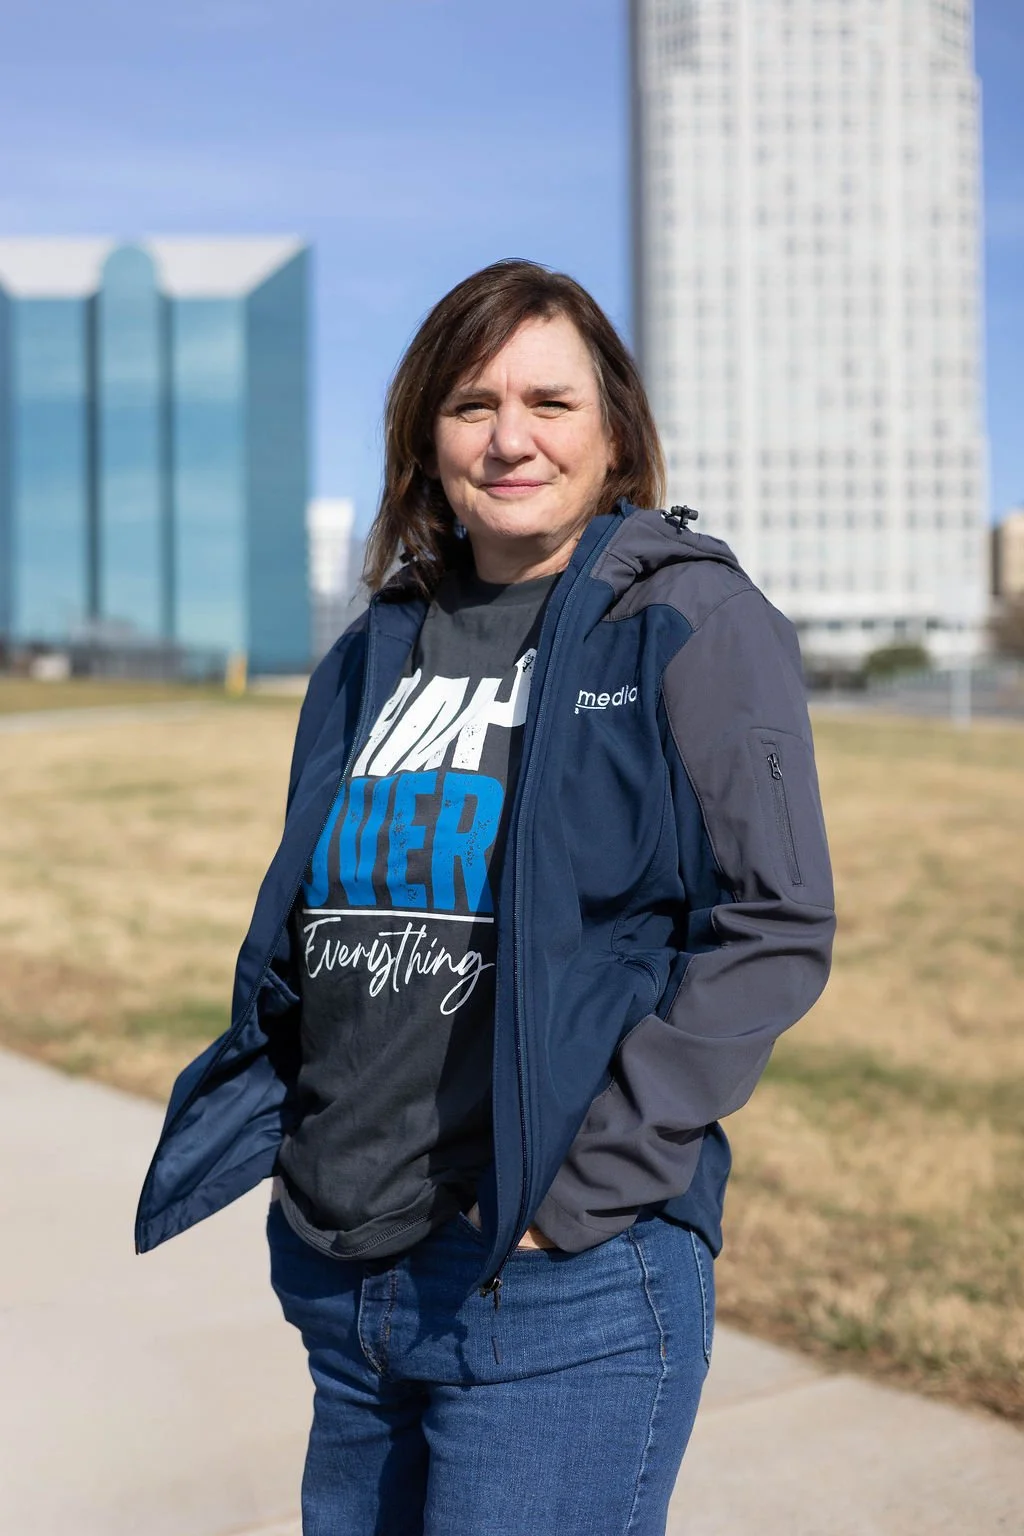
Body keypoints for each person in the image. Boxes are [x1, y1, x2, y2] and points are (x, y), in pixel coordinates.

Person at [136, 258, 835, 1535]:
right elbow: (311, 909)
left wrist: (587, 1184)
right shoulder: (372, 650)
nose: (510, 437)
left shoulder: (687, 622)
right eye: (470, 403)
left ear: (613, 428)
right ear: (425, 435)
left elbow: (774, 920)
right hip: (346, 1271)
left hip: (554, 1278)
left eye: (549, 402)